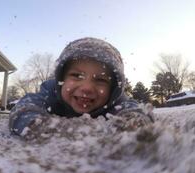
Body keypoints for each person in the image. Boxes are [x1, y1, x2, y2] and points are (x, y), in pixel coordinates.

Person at [9, 37, 153, 136]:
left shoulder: (116, 102)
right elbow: (25, 107)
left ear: (113, 89)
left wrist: (133, 125)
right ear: (61, 79)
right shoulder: (50, 92)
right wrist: (38, 126)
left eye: (101, 79)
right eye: (77, 76)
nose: (87, 88)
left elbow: (135, 110)